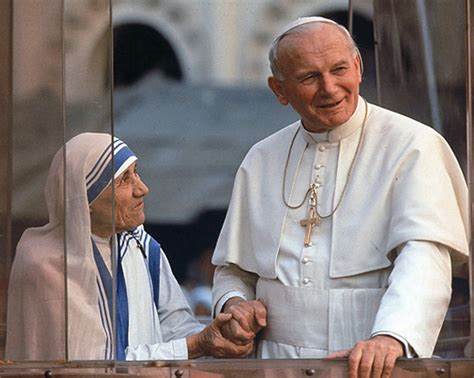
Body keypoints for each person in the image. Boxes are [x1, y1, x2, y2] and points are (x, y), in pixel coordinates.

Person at [211, 16, 469, 377]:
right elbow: (233, 269)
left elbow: (425, 256)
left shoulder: (413, 145)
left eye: (339, 69)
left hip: (372, 359)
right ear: (279, 90)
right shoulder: (261, 158)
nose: (330, 88)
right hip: (276, 364)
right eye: (309, 77)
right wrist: (235, 304)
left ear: (359, 67)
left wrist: (392, 337)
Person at [6, 132, 252, 361]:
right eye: (124, 179)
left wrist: (224, 332)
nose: (142, 189)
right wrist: (194, 345)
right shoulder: (46, 263)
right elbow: (90, 364)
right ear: (85, 198)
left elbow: (175, 325)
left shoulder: (141, 246)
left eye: (137, 172)